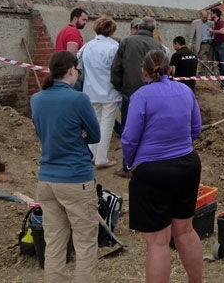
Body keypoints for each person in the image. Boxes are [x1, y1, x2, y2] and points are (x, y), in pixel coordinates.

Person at [122, 50, 203, 283]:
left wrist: (130, 163)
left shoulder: (141, 96)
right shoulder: (185, 91)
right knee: (185, 230)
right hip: (187, 164)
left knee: (158, 242)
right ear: (170, 70)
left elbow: (129, 138)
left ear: (144, 72)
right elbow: (196, 129)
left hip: (152, 171)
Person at [31, 51, 101, 282]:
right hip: (75, 179)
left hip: (47, 179)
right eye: (78, 71)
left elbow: (43, 132)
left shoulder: (36, 99)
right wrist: (79, 133)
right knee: (85, 242)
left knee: (54, 241)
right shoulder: (78, 99)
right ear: (72, 70)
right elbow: (95, 135)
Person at [111, 16, 163, 177]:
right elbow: (162, 72)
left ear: (139, 27)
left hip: (130, 93)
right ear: (153, 30)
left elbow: (116, 68)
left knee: (129, 131)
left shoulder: (126, 42)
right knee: (149, 130)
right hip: (151, 94)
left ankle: (128, 167)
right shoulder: (158, 46)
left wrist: (119, 87)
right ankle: (147, 165)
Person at [78, 15, 121, 168]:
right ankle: (101, 158)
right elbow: (117, 69)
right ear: (112, 30)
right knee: (106, 125)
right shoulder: (114, 47)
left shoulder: (87, 46)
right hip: (109, 91)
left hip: (90, 90)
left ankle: (91, 155)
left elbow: (78, 63)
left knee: (93, 123)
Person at [210, 7, 224, 89]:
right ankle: (223, 82)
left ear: (215, 14)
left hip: (222, 45)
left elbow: (222, 31)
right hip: (217, 45)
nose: (210, 15)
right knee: (219, 65)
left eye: (211, 13)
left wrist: (212, 31)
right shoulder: (215, 23)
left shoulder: (221, 22)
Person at [188, 10, 214, 76]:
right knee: (204, 59)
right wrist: (190, 44)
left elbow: (213, 33)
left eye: (206, 17)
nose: (205, 19)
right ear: (200, 16)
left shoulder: (211, 23)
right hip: (201, 44)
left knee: (209, 60)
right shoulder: (195, 23)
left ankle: (203, 73)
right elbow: (191, 35)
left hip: (209, 44)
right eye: (203, 17)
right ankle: (206, 74)